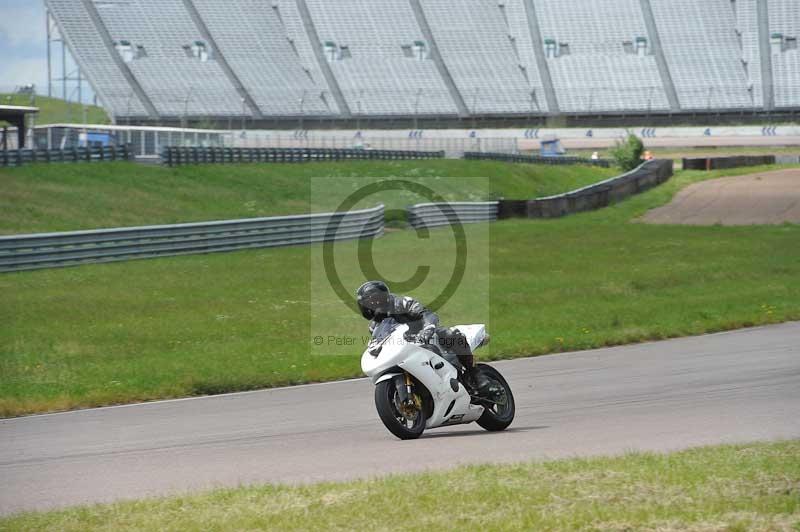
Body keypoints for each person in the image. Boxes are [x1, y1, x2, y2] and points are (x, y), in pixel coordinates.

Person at [356, 280, 491, 394]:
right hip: (403, 346)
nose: (372, 305)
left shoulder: (402, 303)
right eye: (367, 303)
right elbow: (380, 341)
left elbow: (426, 314)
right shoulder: (374, 326)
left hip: (425, 334)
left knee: (450, 335)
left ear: (383, 297)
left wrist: (428, 328)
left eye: (374, 300)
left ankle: (474, 373)